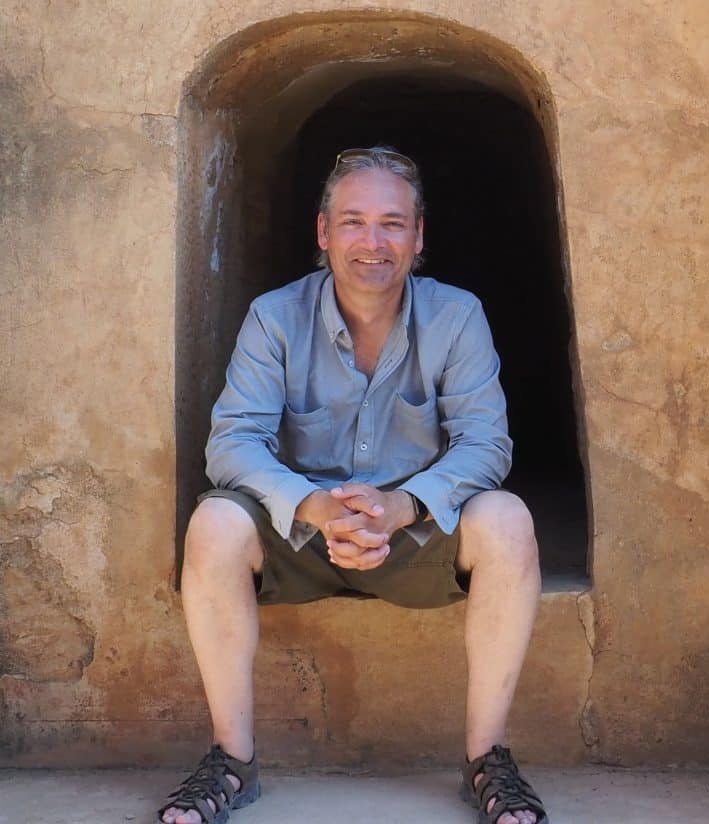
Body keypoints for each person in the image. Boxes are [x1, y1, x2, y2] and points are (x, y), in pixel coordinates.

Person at [158, 146, 548, 824]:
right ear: (323, 231)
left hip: (413, 536)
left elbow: (487, 442)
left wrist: (404, 505)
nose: (373, 242)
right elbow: (233, 440)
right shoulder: (275, 317)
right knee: (215, 524)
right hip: (302, 535)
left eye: (393, 224)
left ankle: (488, 760)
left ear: (418, 237)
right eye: (353, 222)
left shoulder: (456, 316)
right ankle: (232, 761)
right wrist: (311, 504)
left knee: (508, 520)